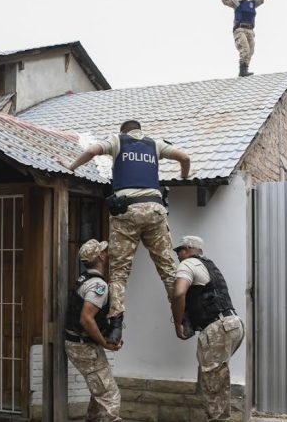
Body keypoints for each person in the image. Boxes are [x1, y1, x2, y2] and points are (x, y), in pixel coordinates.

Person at [64, 119, 191, 345]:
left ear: (123, 131)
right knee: (167, 269)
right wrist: (184, 175)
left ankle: (115, 328)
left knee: (119, 272)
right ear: (140, 130)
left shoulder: (117, 141)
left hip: (127, 211)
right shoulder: (155, 144)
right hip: (155, 210)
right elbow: (185, 158)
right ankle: (185, 319)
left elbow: (92, 151)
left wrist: (70, 166)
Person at [171, 236, 244, 422]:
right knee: (218, 380)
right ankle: (222, 417)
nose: (177, 254)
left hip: (217, 328)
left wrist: (178, 322)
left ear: (188, 249)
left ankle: (218, 418)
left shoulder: (187, 264)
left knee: (212, 385)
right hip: (234, 324)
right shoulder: (209, 265)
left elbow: (179, 293)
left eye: (179, 250)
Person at [64, 239, 123, 422]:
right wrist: (105, 343)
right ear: (101, 257)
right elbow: (86, 319)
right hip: (83, 346)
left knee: (99, 391)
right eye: (104, 251)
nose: (107, 253)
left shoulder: (84, 279)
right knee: (109, 395)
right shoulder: (98, 285)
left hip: (81, 343)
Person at [222, 0, 267, 77]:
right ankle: (242, 71)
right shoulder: (237, 3)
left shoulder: (252, 3)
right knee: (245, 49)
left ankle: (245, 68)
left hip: (250, 30)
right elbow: (224, 0)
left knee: (251, 50)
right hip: (240, 29)